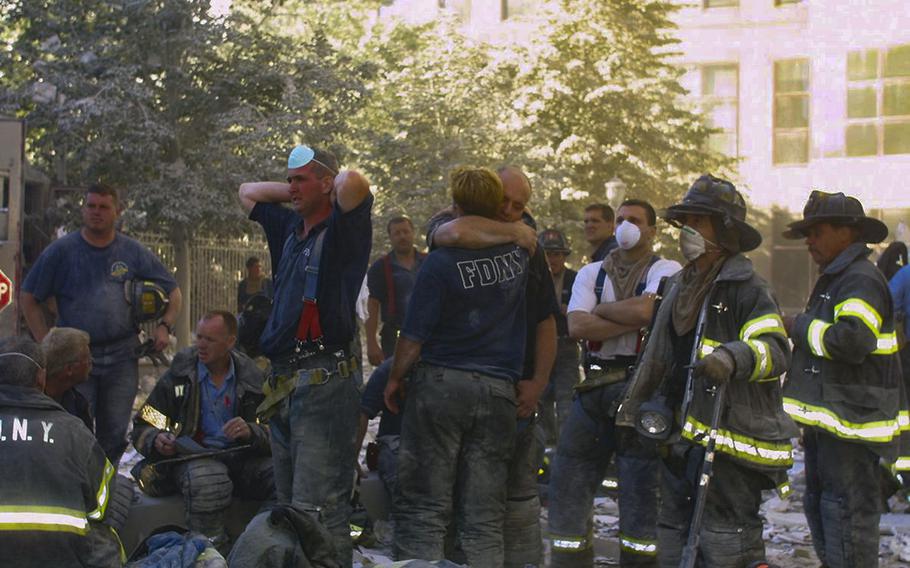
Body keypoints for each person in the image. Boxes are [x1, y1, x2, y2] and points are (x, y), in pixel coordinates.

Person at [616, 175, 797, 567]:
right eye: (686, 222)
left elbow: (776, 349)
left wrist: (733, 357)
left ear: (725, 231)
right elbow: (659, 357)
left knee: (725, 541)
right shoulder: (680, 284)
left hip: (729, 442)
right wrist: (635, 412)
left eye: (698, 222)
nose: (687, 232)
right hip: (680, 438)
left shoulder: (747, 288)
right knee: (673, 533)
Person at [384, 167, 530, 567]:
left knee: (424, 508)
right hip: (499, 391)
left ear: (456, 206)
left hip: (441, 386)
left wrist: (395, 378)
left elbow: (413, 335)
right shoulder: (520, 256)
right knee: (484, 515)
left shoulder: (439, 263)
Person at [238, 145, 372, 567]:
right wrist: (301, 189)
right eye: (289, 179)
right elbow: (247, 192)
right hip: (284, 385)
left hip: (324, 383)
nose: (291, 188)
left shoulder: (344, 231)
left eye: (301, 180)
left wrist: (325, 185)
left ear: (326, 184)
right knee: (292, 507)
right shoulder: (288, 227)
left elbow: (354, 183)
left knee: (320, 508)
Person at [427, 165, 558, 567]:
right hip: (454, 385)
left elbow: (546, 319)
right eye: (503, 200)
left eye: (519, 207)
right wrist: (516, 234)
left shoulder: (529, 240)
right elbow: (447, 234)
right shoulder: (456, 222)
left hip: (512, 391)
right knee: (447, 502)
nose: (509, 211)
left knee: (515, 503)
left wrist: (537, 383)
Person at [548, 199, 681, 567]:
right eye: (620, 219)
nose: (625, 226)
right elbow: (577, 326)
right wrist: (637, 317)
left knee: (640, 490)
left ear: (652, 230)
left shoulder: (666, 269)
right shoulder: (592, 273)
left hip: (643, 390)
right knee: (568, 482)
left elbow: (650, 310)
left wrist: (602, 310)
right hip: (592, 390)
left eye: (635, 220)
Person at [782, 190, 905, 567]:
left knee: (846, 518)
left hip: (853, 428)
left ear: (846, 233)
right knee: (824, 511)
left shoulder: (859, 279)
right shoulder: (838, 277)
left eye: (817, 232)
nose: (809, 242)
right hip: (833, 426)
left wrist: (797, 325)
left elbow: (851, 341)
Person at [21, 182, 182, 464]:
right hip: (74, 360)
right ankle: (75, 491)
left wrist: (165, 325)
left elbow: (174, 292)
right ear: (83, 209)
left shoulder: (132, 251)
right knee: (73, 430)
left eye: (103, 207)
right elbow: (28, 297)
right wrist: (47, 346)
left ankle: (105, 495)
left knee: (115, 434)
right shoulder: (62, 251)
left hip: (122, 357)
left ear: (117, 211)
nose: (96, 212)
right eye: (91, 206)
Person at [131, 310, 274, 548]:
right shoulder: (178, 377)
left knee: (282, 474)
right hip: (194, 460)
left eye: (210, 339)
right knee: (209, 479)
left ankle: (260, 546)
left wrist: (252, 431)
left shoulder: (252, 379)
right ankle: (210, 550)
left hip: (242, 459)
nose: (201, 345)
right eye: (199, 337)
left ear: (230, 342)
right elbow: (144, 422)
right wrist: (156, 439)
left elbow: (276, 430)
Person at [0, 337, 123, 567]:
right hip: (59, 557)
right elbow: (102, 506)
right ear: (41, 378)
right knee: (105, 539)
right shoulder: (75, 432)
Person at [538, 228, 581, 443]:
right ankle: (545, 452)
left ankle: (566, 449)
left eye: (556, 254)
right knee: (540, 401)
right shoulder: (533, 279)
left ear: (564, 256)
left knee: (567, 402)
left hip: (566, 346)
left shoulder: (575, 279)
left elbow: (581, 313)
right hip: (539, 348)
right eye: (547, 253)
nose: (552, 259)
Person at [365, 216, 427, 365]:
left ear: (413, 233)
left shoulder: (428, 261)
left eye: (406, 232)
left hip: (430, 336)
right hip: (395, 339)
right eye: (397, 233)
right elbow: (372, 305)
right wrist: (371, 343)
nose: (402, 237)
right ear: (390, 238)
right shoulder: (380, 267)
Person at [41, 327, 94, 432]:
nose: (91, 362)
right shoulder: (27, 401)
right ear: (69, 369)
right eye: (86, 358)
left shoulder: (77, 403)